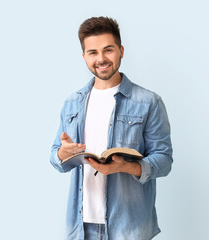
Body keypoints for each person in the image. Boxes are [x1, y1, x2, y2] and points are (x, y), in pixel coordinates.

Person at [50, 16, 173, 240]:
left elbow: (164, 161)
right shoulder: (72, 103)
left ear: (121, 51)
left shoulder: (148, 102)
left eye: (108, 50)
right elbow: (56, 158)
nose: (101, 59)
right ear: (84, 56)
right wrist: (62, 153)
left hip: (129, 226)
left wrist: (126, 167)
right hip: (80, 227)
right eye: (93, 52)